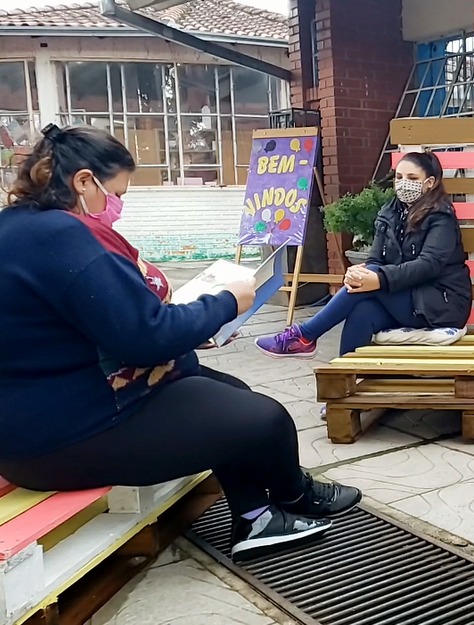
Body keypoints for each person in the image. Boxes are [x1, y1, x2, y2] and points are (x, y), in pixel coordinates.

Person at [0, 125, 361, 561]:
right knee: (265, 420)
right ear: (82, 181)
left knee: (227, 392)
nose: (114, 206)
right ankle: (292, 494)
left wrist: (186, 329)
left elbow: (92, 323)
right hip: (64, 435)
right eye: (114, 193)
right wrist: (226, 303)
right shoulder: (61, 236)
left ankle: (257, 517)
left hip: (39, 421)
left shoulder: (17, 227)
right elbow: (145, 337)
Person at [257, 151, 472, 358]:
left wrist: (378, 278)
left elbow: (429, 265)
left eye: (412, 177)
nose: (403, 182)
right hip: (408, 295)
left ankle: (304, 336)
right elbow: (376, 260)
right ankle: (347, 379)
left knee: (370, 281)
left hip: (442, 302)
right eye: (399, 177)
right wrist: (360, 273)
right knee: (363, 310)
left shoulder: (441, 217)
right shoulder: (390, 212)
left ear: (430, 182)